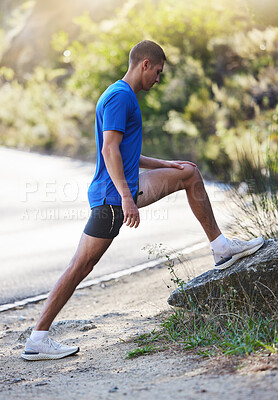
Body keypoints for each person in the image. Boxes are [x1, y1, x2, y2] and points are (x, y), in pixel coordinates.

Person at [21, 40, 264, 361]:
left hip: (119, 190)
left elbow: (126, 153)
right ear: (145, 64)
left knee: (188, 172)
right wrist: (126, 198)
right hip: (112, 197)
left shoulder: (118, 93)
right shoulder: (121, 97)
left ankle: (220, 247)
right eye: (159, 72)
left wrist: (167, 165)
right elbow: (109, 151)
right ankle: (39, 336)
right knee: (81, 266)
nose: (159, 80)